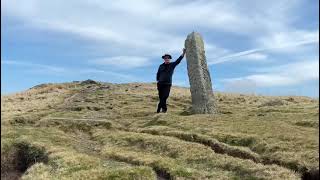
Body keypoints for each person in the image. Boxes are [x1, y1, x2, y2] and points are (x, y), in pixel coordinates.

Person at [156, 48, 186, 113]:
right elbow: (158, 73)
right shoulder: (161, 66)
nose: (166, 59)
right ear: (164, 59)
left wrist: (183, 53)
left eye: (168, 58)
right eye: (165, 58)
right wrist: (158, 80)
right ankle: (163, 110)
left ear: (169, 59)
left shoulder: (172, 65)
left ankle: (159, 109)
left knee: (165, 97)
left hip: (167, 84)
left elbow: (178, 60)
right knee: (161, 98)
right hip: (160, 84)